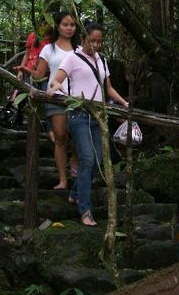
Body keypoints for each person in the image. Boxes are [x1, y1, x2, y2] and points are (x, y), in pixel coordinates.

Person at [47, 22, 129, 227]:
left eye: (99, 42)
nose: (96, 45)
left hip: (98, 116)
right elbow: (56, 80)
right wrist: (57, 89)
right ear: (84, 39)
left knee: (98, 161)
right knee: (87, 159)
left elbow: (108, 88)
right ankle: (85, 210)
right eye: (92, 41)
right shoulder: (72, 58)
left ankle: (76, 192)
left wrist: (124, 103)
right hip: (79, 115)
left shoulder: (101, 59)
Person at [21, 12, 81, 190]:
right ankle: (63, 179)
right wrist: (26, 70)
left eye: (72, 25)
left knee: (77, 135)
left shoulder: (80, 50)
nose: (69, 28)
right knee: (60, 137)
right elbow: (40, 74)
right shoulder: (48, 49)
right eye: (65, 24)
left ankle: (74, 162)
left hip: (77, 98)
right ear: (57, 26)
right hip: (55, 97)